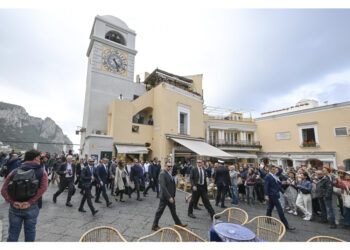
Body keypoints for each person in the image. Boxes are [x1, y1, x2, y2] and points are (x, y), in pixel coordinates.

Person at [1, 149, 48, 241]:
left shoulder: (14, 171)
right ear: (35, 158)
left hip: (15, 207)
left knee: (13, 233)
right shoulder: (42, 172)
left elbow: (3, 190)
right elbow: (43, 188)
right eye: (39, 157)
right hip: (31, 207)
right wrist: (30, 202)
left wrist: (12, 202)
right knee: (30, 231)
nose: (40, 159)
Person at [152, 161, 187, 231]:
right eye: (168, 166)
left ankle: (178, 224)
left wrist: (172, 195)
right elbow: (163, 187)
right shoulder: (162, 174)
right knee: (159, 211)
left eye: (171, 166)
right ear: (165, 166)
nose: (170, 167)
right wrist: (169, 197)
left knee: (173, 211)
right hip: (165, 197)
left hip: (171, 196)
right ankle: (154, 225)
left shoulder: (169, 173)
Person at [264, 165, 295, 231]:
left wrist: (283, 192)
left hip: (275, 194)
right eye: (273, 169)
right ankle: (286, 225)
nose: (274, 170)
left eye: (274, 169)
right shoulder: (268, 176)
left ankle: (268, 220)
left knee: (270, 207)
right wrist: (266, 195)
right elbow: (266, 186)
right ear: (269, 170)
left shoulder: (274, 176)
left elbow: (278, 185)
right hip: (272, 195)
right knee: (280, 209)